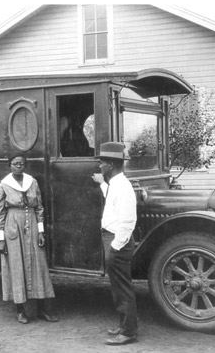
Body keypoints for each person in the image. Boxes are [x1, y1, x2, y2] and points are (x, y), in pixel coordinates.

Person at [0, 153, 58, 324]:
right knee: (17, 266)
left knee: (38, 265)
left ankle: (42, 310)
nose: (19, 166)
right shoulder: (3, 186)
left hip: (32, 224)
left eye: (22, 164)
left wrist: (41, 231)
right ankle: (20, 310)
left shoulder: (32, 182)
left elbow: (39, 208)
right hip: (13, 226)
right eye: (15, 164)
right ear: (10, 166)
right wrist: (1, 239)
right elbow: (0, 214)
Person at [91, 142, 138, 345]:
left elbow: (128, 221)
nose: (100, 166)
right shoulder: (116, 184)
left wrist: (115, 247)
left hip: (117, 241)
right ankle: (124, 326)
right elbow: (111, 199)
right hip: (113, 238)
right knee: (118, 288)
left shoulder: (123, 186)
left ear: (110, 164)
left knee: (123, 289)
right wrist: (102, 183)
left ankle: (128, 333)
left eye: (102, 162)